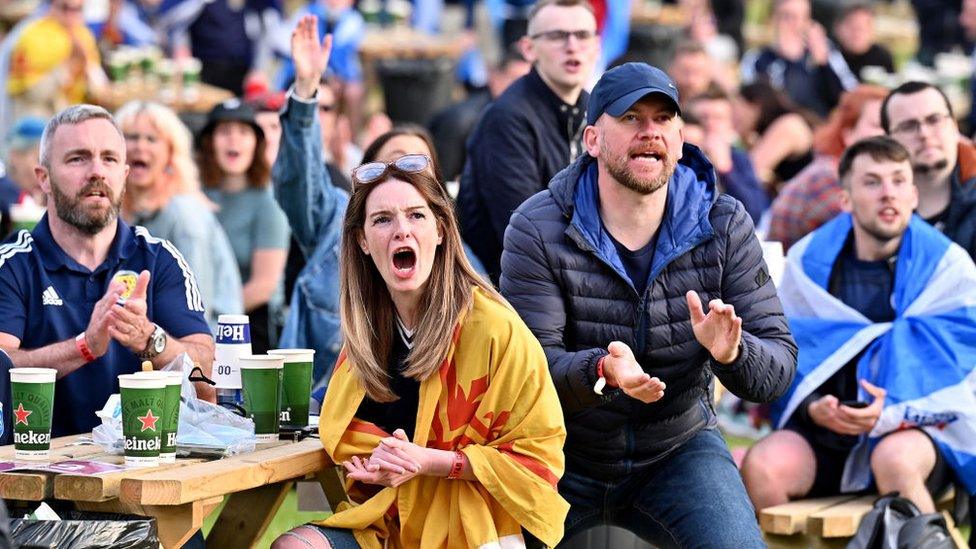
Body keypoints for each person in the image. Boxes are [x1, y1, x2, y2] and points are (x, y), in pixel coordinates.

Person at [500, 62, 797, 547]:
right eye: (632, 119)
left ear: (680, 141)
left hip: (678, 447)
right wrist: (601, 370)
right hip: (560, 450)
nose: (650, 133)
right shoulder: (538, 226)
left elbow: (779, 368)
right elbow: (527, 370)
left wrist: (732, 354)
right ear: (593, 140)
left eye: (663, 120)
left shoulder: (724, 223)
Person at [271, 131, 569, 549]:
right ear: (362, 241)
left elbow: (539, 459)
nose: (400, 231)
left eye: (416, 215)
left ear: (442, 230)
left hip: (476, 526)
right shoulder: (367, 332)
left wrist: (429, 463)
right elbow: (341, 451)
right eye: (382, 219)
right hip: (383, 516)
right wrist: (373, 466)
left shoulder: (495, 328)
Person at [743, 136, 976, 516]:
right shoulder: (808, 266)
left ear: (914, 195)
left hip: (916, 433)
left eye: (899, 181)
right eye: (872, 182)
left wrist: (891, 411)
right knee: (765, 466)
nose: (889, 194)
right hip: (829, 435)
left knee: (894, 459)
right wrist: (813, 407)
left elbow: (961, 372)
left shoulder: (949, 268)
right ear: (846, 200)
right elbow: (781, 357)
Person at [0, 104, 215, 437]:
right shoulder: (11, 264)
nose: (97, 171)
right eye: (78, 158)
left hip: (142, 470)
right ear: (43, 178)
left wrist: (149, 339)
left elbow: (207, 379)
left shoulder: (161, 259)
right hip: (35, 477)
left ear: (124, 176)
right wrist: (83, 346)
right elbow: (1, 367)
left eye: (110, 159)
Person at [457, 0, 600, 282]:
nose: (572, 46)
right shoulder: (506, 119)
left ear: (596, 45)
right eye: (557, 36)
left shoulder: (595, 113)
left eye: (582, 35)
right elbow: (525, 234)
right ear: (528, 48)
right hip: (509, 291)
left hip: (574, 278)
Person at [115, 100, 243, 328]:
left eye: (151, 139)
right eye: (131, 138)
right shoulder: (121, 212)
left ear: (171, 153)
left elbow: (196, 309)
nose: (139, 147)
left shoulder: (185, 214)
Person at [199, 99, 291, 353]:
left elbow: (264, 286)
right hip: (201, 318)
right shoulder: (195, 194)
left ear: (256, 143)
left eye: (243, 132)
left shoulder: (268, 201)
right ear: (209, 143)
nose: (234, 140)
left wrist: (212, 321)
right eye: (225, 132)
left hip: (252, 324)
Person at [768, 85, 888, 250]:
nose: (888, 135)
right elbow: (871, 242)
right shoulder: (829, 177)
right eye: (877, 125)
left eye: (891, 126)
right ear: (848, 133)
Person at [882, 81, 976, 259]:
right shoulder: (873, 207)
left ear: (954, 126)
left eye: (934, 120)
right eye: (908, 126)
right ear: (889, 140)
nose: (924, 133)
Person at [428, 46, 531, 182]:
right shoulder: (460, 121)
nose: (522, 89)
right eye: (515, 80)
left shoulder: (530, 118)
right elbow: (442, 180)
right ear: (495, 78)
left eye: (527, 82)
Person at [3, 0, 104, 127]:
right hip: (35, 123)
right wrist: (69, 66)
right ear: (52, 6)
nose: (71, 15)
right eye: (65, 8)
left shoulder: (84, 36)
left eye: (78, 9)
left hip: (71, 120)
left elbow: (96, 85)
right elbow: (34, 93)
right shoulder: (32, 36)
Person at [740, 0, 838, 116]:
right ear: (773, 19)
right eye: (787, 17)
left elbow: (845, 98)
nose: (796, 24)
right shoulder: (756, 59)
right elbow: (754, 106)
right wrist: (790, 62)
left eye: (803, 17)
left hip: (820, 126)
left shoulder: (825, 50)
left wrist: (825, 65)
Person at [686, 86, 769, 223]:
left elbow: (754, 213)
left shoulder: (738, 158)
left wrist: (725, 169)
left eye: (718, 118)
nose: (710, 124)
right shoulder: (677, 157)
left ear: (730, 124)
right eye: (703, 117)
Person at [736, 81, 817, 190]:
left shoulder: (788, 124)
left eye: (736, 109)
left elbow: (750, 172)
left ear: (756, 106)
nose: (733, 117)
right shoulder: (778, 126)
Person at [814, 3, 894, 111]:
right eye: (852, 26)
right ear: (837, 28)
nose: (858, 32)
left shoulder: (882, 57)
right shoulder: (829, 56)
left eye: (864, 27)